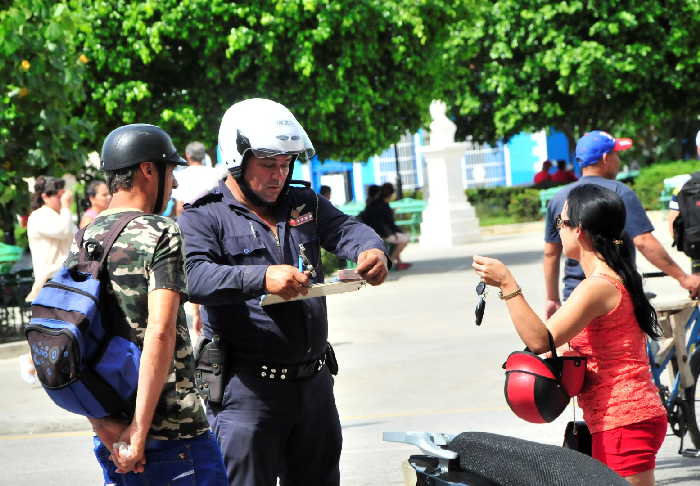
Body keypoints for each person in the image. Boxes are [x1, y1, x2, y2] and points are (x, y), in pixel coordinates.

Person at [178, 98, 389, 486]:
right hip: (247, 396)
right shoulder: (203, 216)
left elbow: (346, 229)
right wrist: (262, 277)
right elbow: (193, 278)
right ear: (237, 160)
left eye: (286, 164)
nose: (279, 175)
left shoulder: (301, 202)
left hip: (313, 389)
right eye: (268, 165)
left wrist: (371, 250)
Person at [474, 184, 667, 486]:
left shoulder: (599, 286)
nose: (558, 230)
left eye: (560, 223)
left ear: (579, 230)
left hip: (624, 419)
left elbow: (540, 340)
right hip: (620, 418)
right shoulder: (606, 278)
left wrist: (507, 283)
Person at [66, 124, 227, 485]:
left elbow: (70, 340)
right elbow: (161, 331)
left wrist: (106, 427)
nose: (173, 186)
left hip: (111, 435)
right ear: (148, 170)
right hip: (174, 435)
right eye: (170, 172)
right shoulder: (161, 232)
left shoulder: (85, 238)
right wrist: (139, 432)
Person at [543, 130, 700, 318]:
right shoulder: (620, 192)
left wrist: (552, 298)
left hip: (575, 297)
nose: (619, 160)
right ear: (605, 158)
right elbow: (643, 241)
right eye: (616, 154)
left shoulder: (559, 198)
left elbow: (551, 253)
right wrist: (684, 278)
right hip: (615, 296)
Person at [26, 176, 75, 301]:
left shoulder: (63, 215)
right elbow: (63, 231)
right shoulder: (38, 216)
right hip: (51, 281)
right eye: (59, 197)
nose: (63, 200)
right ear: (45, 197)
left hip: (69, 277)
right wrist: (65, 206)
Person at [359, 182, 411, 270]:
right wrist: (398, 231)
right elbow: (389, 223)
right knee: (404, 239)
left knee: (400, 239)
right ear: (390, 194)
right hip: (382, 232)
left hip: (373, 231)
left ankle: (397, 262)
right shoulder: (383, 205)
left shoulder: (372, 203)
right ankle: (389, 263)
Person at [172, 141, 227, 218]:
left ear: (188, 155)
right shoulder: (216, 173)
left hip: (191, 220)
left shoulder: (181, 176)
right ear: (203, 155)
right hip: (215, 218)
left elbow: (180, 207)